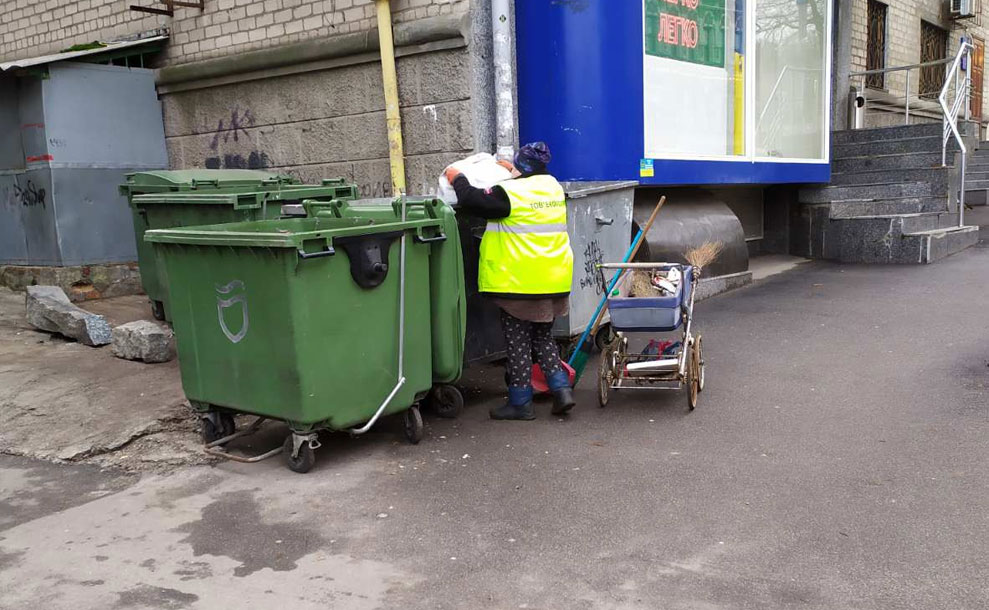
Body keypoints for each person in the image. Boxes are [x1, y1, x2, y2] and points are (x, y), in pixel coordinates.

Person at [444, 142, 576, 420]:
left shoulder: (510, 193)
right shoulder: (553, 187)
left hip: (520, 283)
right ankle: (562, 390)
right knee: (542, 336)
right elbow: (528, 196)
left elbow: (471, 200)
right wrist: (513, 171)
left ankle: (520, 403)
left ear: (522, 168)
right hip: (554, 279)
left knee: (516, 341)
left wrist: (458, 177)